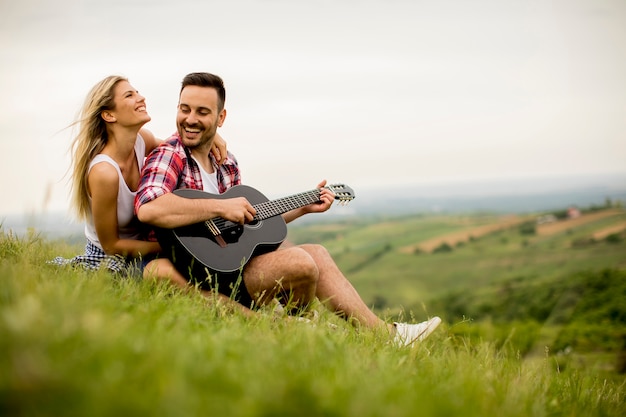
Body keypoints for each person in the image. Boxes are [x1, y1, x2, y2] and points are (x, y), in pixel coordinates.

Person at [135, 72, 441, 346]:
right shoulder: (170, 154)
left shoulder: (226, 163)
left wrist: (303, 208)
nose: (190, 118)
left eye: (202, 112)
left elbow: (246, 223)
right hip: (195, 273)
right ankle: (296, 332)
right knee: (300, 261)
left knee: (317, 253)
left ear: (221, 117)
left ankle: (388, 336)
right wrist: (221, 206)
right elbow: (149, 208)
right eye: (184, 109)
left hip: (233, 268)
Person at [50, 75, 227, 275]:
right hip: (111, 257)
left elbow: (180, 147)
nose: (141, 98)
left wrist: (212, 135)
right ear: (109, 115)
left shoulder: (142, 140)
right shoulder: (104, 172)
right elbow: (111, 245)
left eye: (137, 92)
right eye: (129, 95)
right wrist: (174, 246)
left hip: (145, 250)